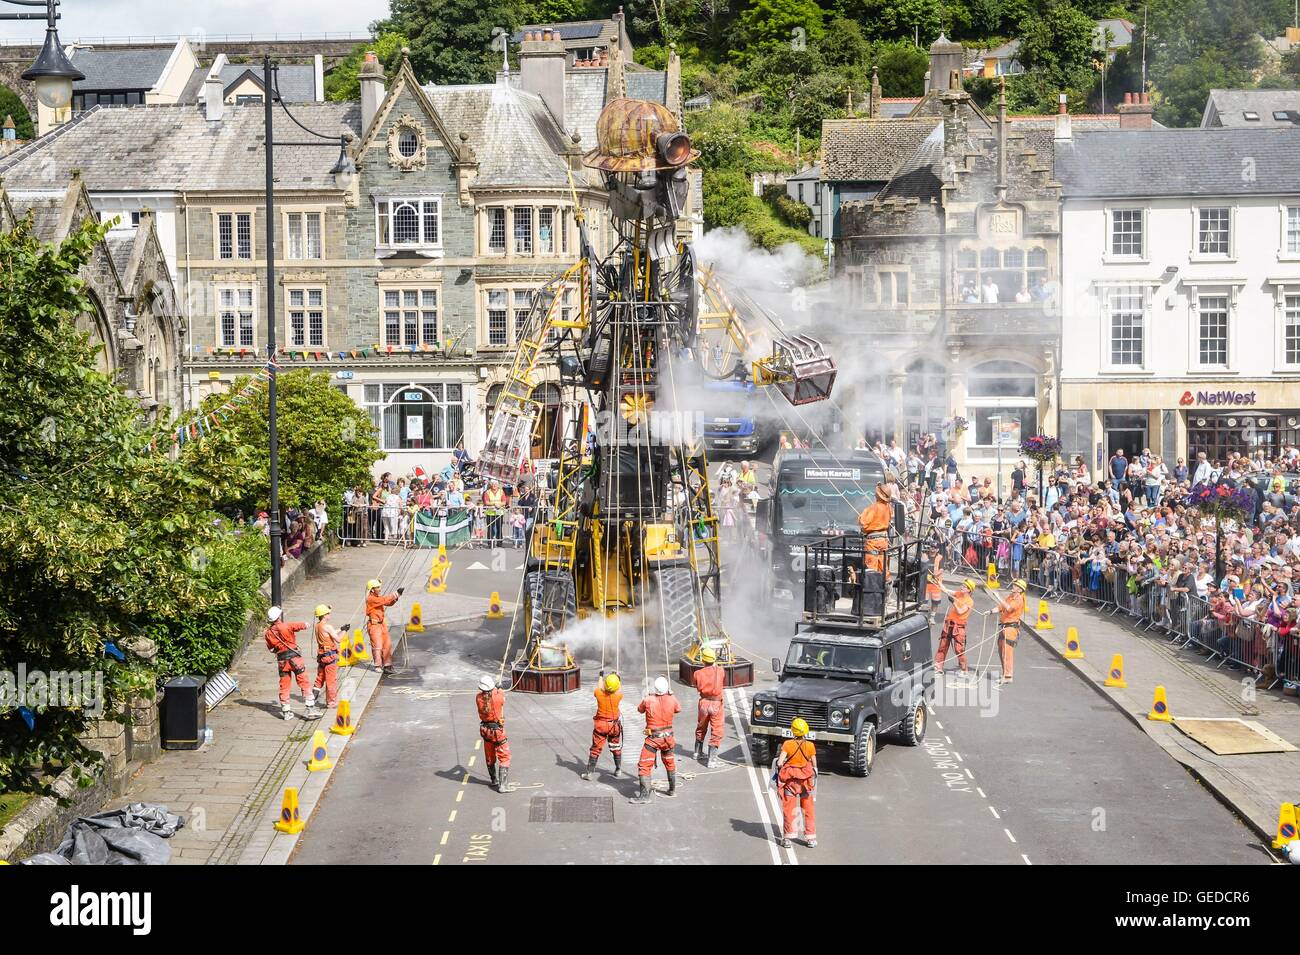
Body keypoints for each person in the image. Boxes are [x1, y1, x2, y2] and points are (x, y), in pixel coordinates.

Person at [631, 676, 680, 804]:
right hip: (668, 738)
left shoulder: (648, 699)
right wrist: (671, 695)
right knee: (670, 763)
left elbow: (639, 709)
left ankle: (644, 796)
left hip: (653, 739)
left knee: (644, 765)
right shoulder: (672, 698)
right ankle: (672, 790)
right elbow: (678, 709)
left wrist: (647, 696)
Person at [264, 606, 319, 721]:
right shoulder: (286, 626)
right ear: (279, 616)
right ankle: (310, 708)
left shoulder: (268, 633)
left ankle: (286, 711)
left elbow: (271, 649)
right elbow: (303, 625)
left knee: (284, 685)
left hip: (282, 661)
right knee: (303, 682)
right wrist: (307, 623)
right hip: (295, 659)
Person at [774, 717, 817, 849]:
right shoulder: (810, 746)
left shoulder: (787, 744)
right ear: (806, 731)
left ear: (793, 731)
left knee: (789, 810)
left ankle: (787, 838)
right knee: (808, 810)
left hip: (790, 783)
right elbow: (814, 764)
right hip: (806, 783)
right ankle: (811, 839)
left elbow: (780, 762)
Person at [475, 673, 513, 792]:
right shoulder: (498, 696)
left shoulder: (478, 698)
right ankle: (503, 785)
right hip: (497, 731)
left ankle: (494, 780)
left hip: (486, 731)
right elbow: (502, 697)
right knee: (505, 757)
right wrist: (499, 687)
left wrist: (496, 688)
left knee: (490, 756)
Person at [582, 671, 624, 779]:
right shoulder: (618, 695)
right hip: (613, 726)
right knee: (615, 747)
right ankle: (618, 769)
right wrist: (617, 678)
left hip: (601, 726)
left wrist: (601, 676)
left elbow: (600, 687)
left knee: (595, 749)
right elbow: (618, 688)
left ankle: (589, 773)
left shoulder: (599, 694)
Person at [986, 578, 1027, 684]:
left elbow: (1008, 608)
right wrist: (990, 611)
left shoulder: (1019, 599)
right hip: (1004, 626)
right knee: (1001, 650)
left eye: (1015, 585)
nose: (1013, 586)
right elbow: (1001, 607)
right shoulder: (1011, 597)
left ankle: (1008, 676)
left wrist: (998, 596)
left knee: (1007, 652)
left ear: (1019, 589)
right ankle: (1005, 673)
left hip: (1010, 628)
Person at [936, 579, 978, 680]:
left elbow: (960, 611)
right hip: (949, 623)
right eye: (962, 585)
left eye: (964, 586)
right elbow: (945, 590)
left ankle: (964, 670)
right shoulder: (958, 593)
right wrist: (938, 582)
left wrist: (953, 602)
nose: (962, 587)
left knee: (959, 649)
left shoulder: (970, 601)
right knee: (943, 645)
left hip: (958, 627)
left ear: (969, 590)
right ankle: (938, 668)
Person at [692, 647, 726, 767]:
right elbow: (719, 672)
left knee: (701, 727)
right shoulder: (720, 670)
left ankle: (697, 752)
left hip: (704, 704)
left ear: (703, 660)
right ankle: (711, 760)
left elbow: (696, 685)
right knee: (716, 731)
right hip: (716, 704)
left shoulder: (697, 673)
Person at [365, 578, 404, 673]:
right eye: (377, 587)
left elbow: (388, 602)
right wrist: (395, 593)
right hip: (374, 625)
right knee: (377, 646)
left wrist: (397, 597)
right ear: (372, 589)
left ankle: (387, 665)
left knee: (387, 644)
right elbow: (384, 600)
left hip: (382, 624)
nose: (380, 589)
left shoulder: (378, 598)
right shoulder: (371, 598)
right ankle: (378, 665)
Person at [312, 603, 347, 708]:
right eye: (328, 613)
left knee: (320, 678)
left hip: (322, 656)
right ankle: (331, 702)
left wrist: (341, 628)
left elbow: (330, 633)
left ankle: (311, 698)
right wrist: (345, 631)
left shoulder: (318, 626)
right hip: (330, 657)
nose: (330, 614)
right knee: (331, 680)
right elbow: (338, 639)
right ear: (324, 615)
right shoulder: (328, 626)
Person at [858, 482, 893, 574]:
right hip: (883, 541)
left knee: (871, 568)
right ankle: (886, 585)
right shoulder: (888, 507)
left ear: (878, 495)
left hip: (873, 541)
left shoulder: (873, 508)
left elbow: (863, 522)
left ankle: (872, 586)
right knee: (883, 567)